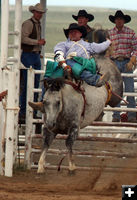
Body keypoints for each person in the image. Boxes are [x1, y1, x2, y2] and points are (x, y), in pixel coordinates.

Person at [30, 23, 111, 110]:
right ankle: (43, 102)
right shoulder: (63, 44)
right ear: (68, 34)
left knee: (72, 62)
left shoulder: (88, 45)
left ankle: (95, 80)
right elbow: (59, 53)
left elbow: (100, 47)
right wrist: (64, 64)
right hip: (65, 65)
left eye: (75, 32)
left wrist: (108, 42)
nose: (73, 33)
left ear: (80, 34)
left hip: (81, 65)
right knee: (48, 77)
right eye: (71, 32)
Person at [108, 10, 137, 123]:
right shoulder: (109, 33)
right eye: (117, 19)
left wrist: (132, 59)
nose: (119, 21)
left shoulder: (131, 33)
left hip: (126, 63)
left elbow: (135, 48)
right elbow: (106, 49)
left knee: (129, 88)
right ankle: (116, 115)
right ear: (115, 20)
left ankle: (131, 115)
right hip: (114, 62)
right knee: (115, 90)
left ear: (124, 21)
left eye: (121, 19)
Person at [19, 3, 46, 123]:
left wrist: (37, 49)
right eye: (38, 12)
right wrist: (37, 43)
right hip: (29, 55)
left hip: (33, 55)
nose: (39, 14)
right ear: (34, 12)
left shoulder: (35, 24)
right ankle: (25, 111)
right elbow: (22, 39)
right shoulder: (29, 24)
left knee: (34, 84)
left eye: (40, 13)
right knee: (28, 83)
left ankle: (31, 111)